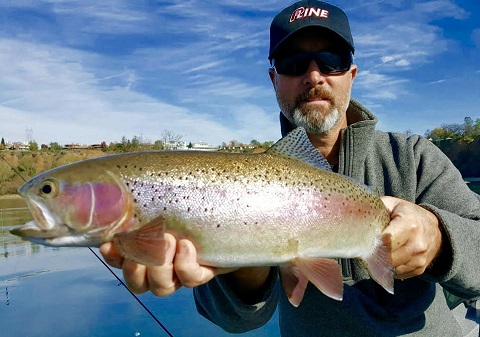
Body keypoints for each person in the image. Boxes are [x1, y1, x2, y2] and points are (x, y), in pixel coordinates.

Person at [100, 1, 480, 335]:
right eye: (293, 63)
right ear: (273, 79)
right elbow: (238, 322)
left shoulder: (413, 157)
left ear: (351, 74)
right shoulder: (244, 186)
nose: (314, 76)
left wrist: (438, 237)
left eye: (332, 60)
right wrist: (244, 263)